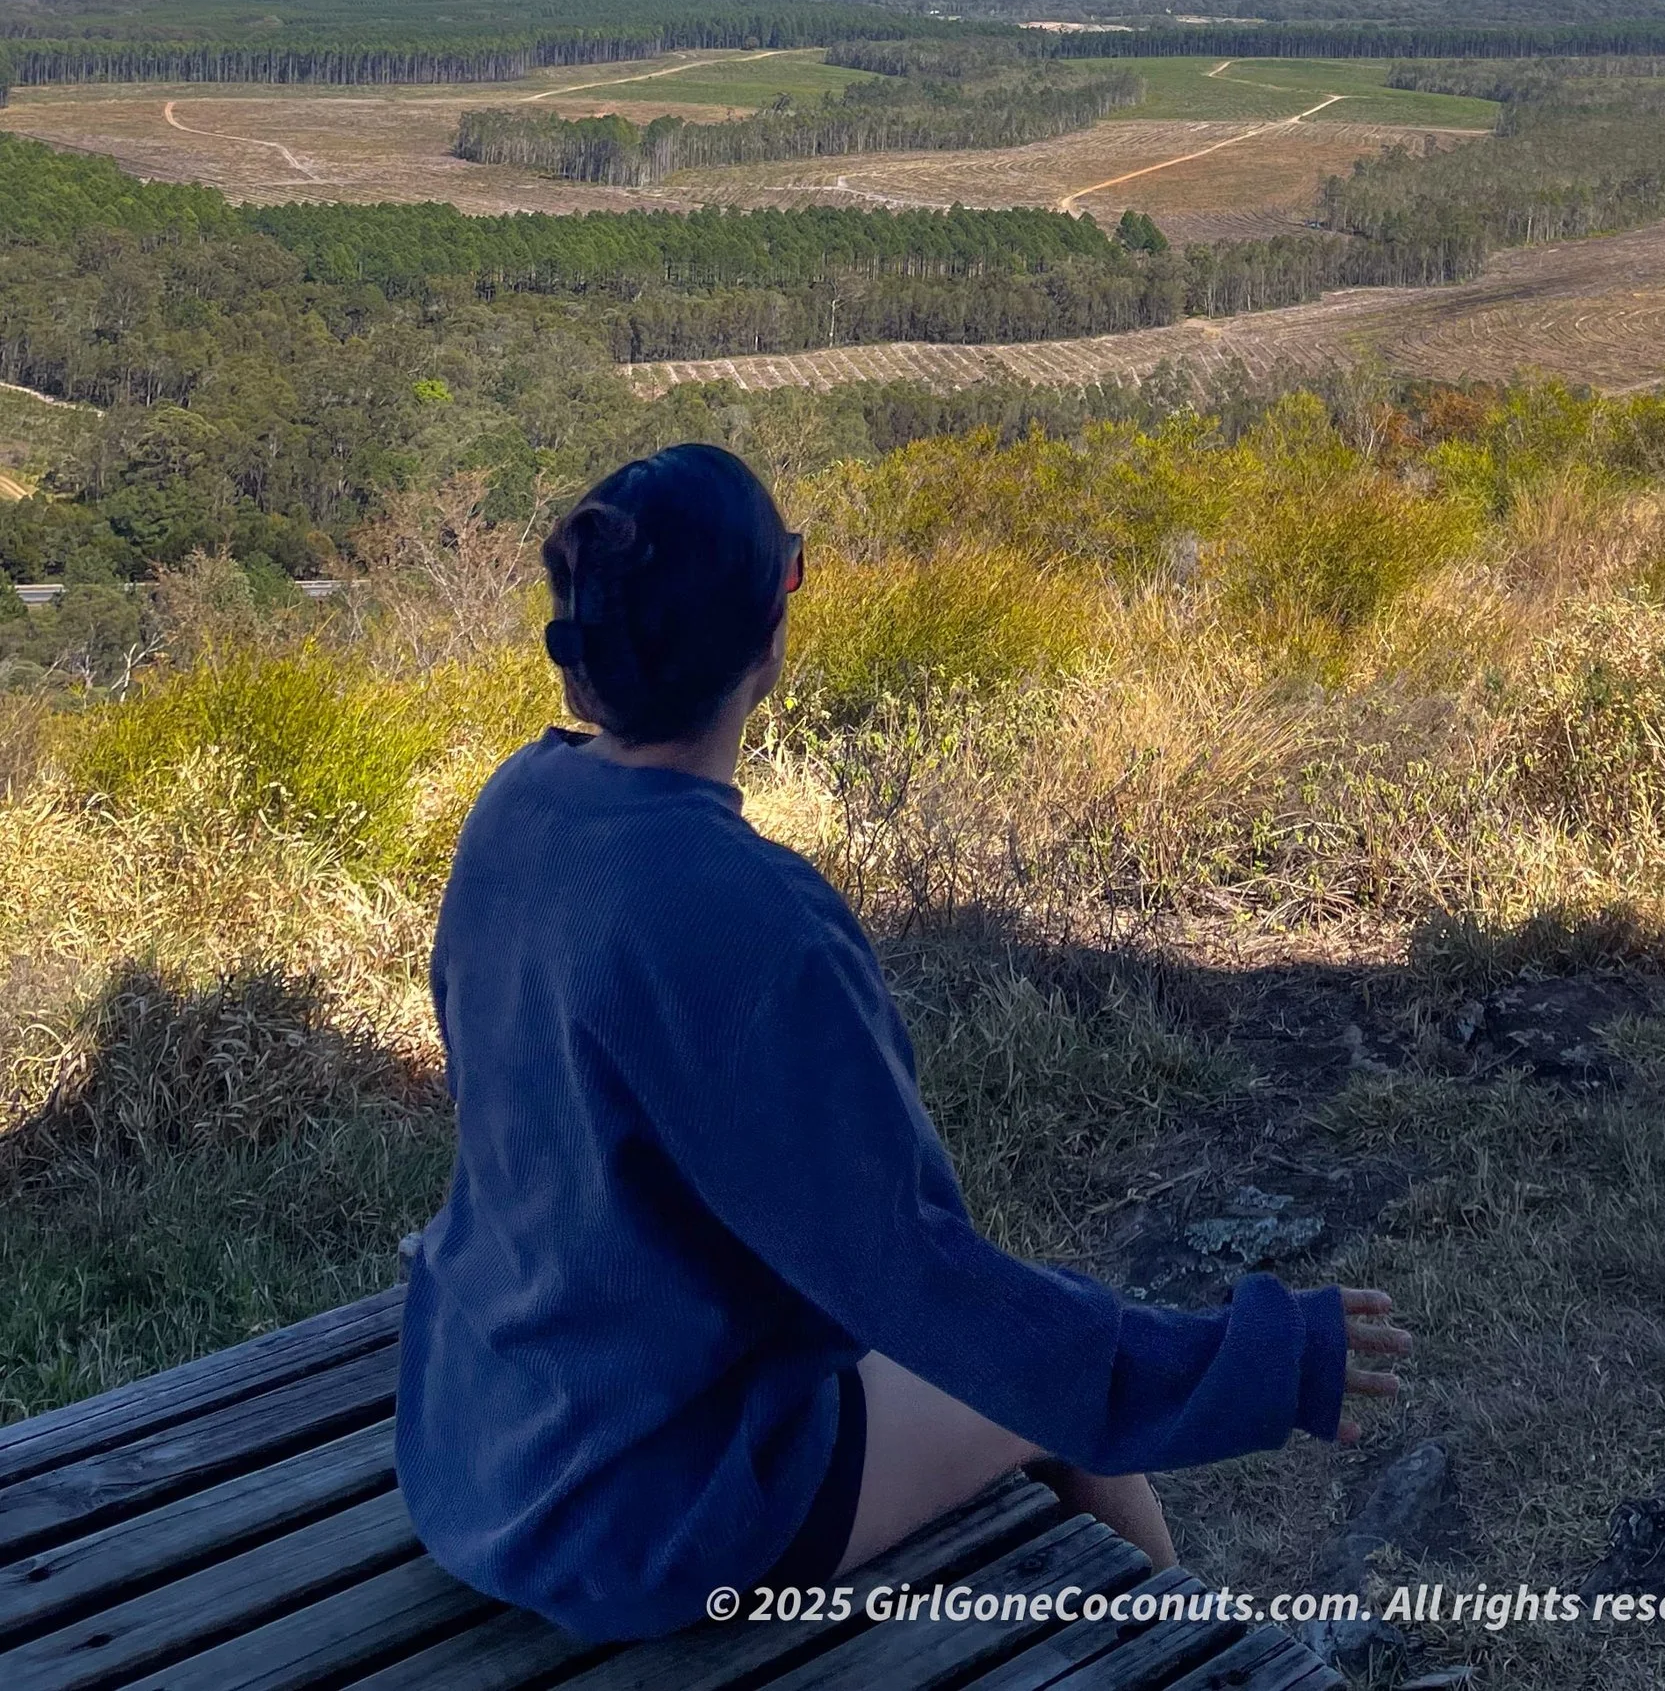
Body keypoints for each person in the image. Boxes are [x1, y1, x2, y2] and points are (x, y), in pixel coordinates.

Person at [396, 443, 1407, 1642]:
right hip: (639, 1515)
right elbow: (921, 1280)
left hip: (476, 1435)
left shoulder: (518, 806)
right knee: (1039, 1406)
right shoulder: (750, 916)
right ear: (770, 638)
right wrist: (1256, 1358)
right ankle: (1208, 1668)